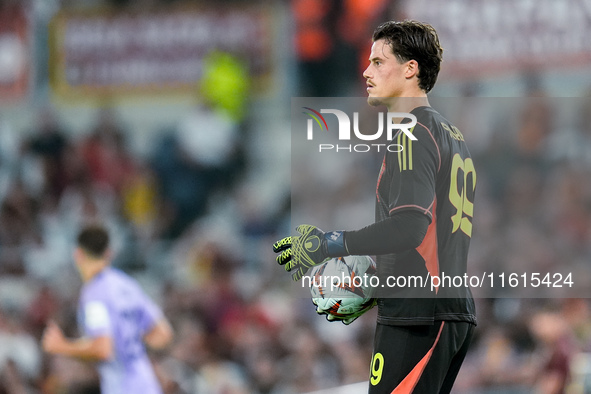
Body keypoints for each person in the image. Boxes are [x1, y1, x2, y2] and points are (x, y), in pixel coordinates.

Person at [273, 20, 476, 393]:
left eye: (379, 62)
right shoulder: (449, 133)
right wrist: (373, 283)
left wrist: (327, 243)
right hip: (440, 311)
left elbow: (410, 227)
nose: (366, 71)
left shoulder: (413, 133)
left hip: (419, 317)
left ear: (411, 68)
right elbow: (431, 241)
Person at [42, 224, 173, 394]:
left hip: (123, 387)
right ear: (108, 253)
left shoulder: (94, 295)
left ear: (78, 254)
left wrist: (62, 346)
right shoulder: (127, 285)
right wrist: (129, 341)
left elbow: (103, 349)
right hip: (146, 384)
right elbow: (162, 334)